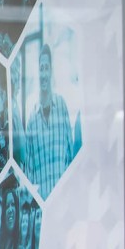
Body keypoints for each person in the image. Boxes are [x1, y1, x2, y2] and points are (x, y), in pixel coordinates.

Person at [25, 43, 78, 196]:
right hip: (43, 212)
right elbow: (29, 173)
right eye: (41, 69)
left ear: (51, 71)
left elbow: (70, 158)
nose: (43, 74)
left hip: (64, 203)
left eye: (46, 68)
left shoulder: (62, 107)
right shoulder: (32, 120)